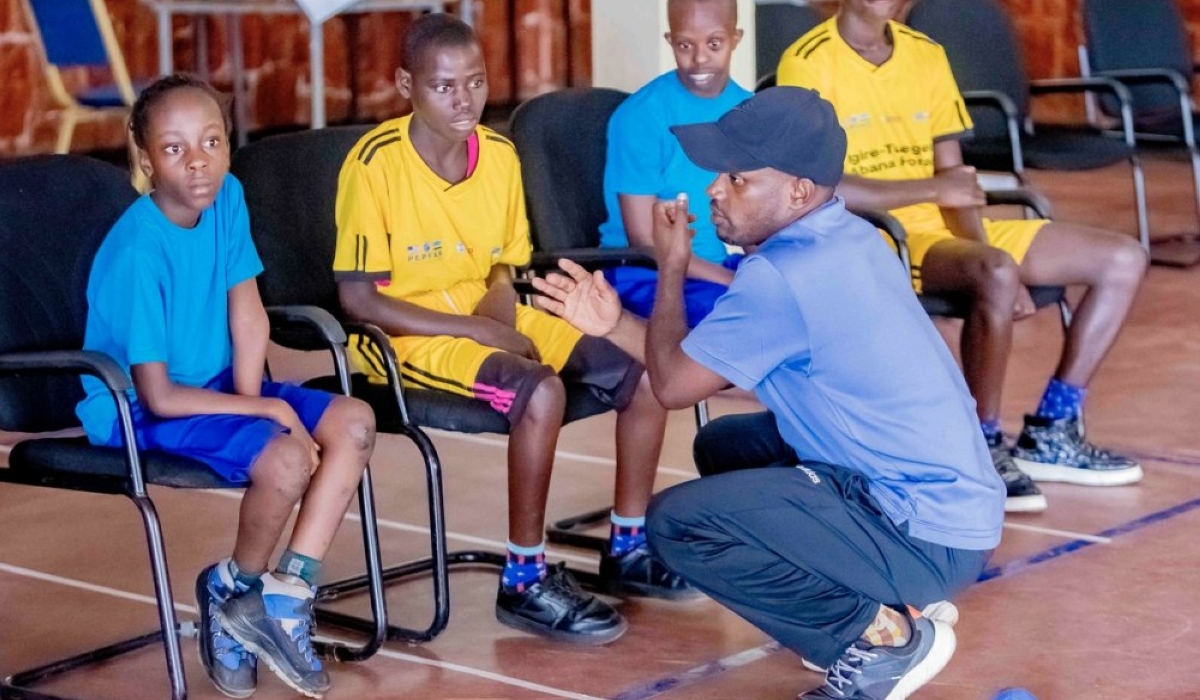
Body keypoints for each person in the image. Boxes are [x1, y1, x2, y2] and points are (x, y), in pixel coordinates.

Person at [532, 87, 1002, 700]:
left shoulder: (783, 276)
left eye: (738, 178)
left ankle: (880, 636)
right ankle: (878, 598)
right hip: (954, 509)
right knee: (728, 445)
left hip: (923, 532)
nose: (714, 190)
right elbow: (704, 371)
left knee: (678, 524)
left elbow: (672, 385)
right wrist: (616, 322)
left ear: (799, 192)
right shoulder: (853, 238)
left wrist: (670, 266)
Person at [332, 14, 692, 646]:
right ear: (404, 85)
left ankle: (628, 544)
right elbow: (360, 300)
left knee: (639, 370)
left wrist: (499, 317)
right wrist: (476, 331)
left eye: (474, 82)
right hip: (404, 335)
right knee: (540, 391)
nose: (463, 99)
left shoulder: (498, 155)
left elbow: (504, 266)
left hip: (480, 312)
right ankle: (523, 578)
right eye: (443, 86)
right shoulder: (374, 164)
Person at [776, 0, 1148, 514]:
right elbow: (819, 184)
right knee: (996, 273)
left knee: (1122, 258)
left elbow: (958, 184)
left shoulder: (926, 54)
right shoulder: (809, 60)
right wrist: (939, 196)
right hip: (874, 237)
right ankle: (983, 445)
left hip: (943, 230)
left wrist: (986, 246)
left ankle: (1053, 430)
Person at [76, 74, 376, 699]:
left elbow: (248, 312)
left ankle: (283, 596)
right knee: (288, 461)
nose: (199, 163)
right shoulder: (137, 250)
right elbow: (158, 396)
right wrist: (264, 412)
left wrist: (254, 405)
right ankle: (231, 589)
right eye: (174, 148)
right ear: (144, 156)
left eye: (212, 142)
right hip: (136, 404)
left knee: (354, 422)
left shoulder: (228, 197)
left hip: (214, 385)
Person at [598, 0, 750, 327]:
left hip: (720, 268)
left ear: (735, 39)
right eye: (685, 45)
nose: (699, 59)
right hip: (645, 273)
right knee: (742, 322)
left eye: (714, 44)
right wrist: (736, 285)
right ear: (670, 42)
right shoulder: (640, 116)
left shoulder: (749, 110)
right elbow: (646, 241)